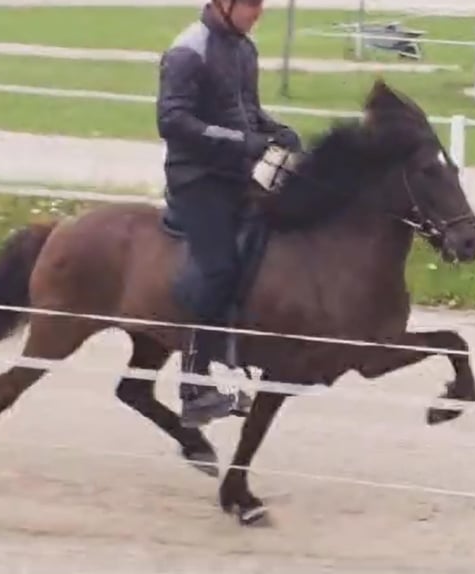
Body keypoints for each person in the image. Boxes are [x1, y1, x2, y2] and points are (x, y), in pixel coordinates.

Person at [156, 0, 302, 427]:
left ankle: (237, 356)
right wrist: (241, 140)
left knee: (267, 244)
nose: (259, 12)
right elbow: (172, 121)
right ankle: (193, 386)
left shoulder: (243, 48)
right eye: (252, 4)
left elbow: (248, 111)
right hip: (196, 178)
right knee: (219, 269)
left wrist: (274, 129)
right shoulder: (188, 50)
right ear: (224, 3)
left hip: (234, 173)